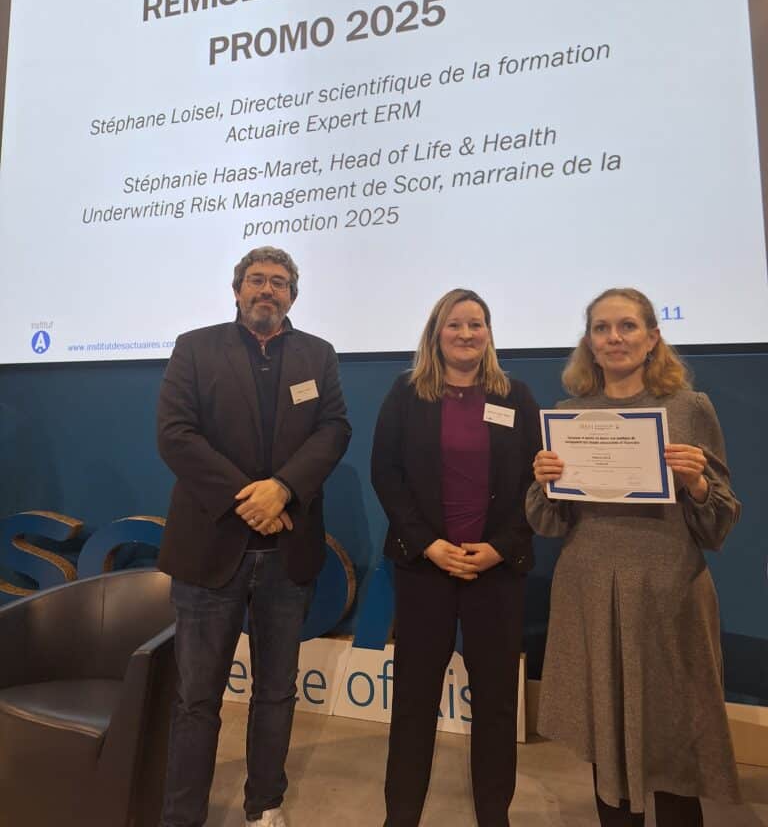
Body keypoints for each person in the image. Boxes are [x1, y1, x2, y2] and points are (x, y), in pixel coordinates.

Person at [526, 287, 741, 827]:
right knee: (607, 740)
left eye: (627, 326)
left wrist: (696, 484)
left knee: (674, 741)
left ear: (652, 337)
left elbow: (719, 521)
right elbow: (547, 523)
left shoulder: (689, 409)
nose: (614, 338)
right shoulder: (569, 416)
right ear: (589, 343)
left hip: (669, 592)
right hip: (589, 590)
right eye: (601, 328)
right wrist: (544, 484)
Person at [156, 246, 351, 827]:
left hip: (287, 554)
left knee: (276, 693)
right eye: (257, 280)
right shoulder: (195, 348)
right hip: (209, 549)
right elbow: (175, 434)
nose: (268, 290)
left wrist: (284, 489)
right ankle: (182, 816)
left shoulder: (318, 354)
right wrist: (253, 499)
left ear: (293, 295)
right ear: (237, 289)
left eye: (280, 282)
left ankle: (264, 805)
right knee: (196, 699)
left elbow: (334, 429)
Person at [371, 288, 540, 827]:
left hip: (495, 571)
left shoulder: (516, 396)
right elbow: (386, 475)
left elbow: (536, 485)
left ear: (489, 333)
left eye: (477, 324)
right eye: (455, 324)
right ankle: (401, 817)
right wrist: (429, 544)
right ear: (435, 333)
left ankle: (494, 815)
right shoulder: (406, 394)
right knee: (413, 702)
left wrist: (499, 548)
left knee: (496, 704)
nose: (467, 333)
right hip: (426, 569)